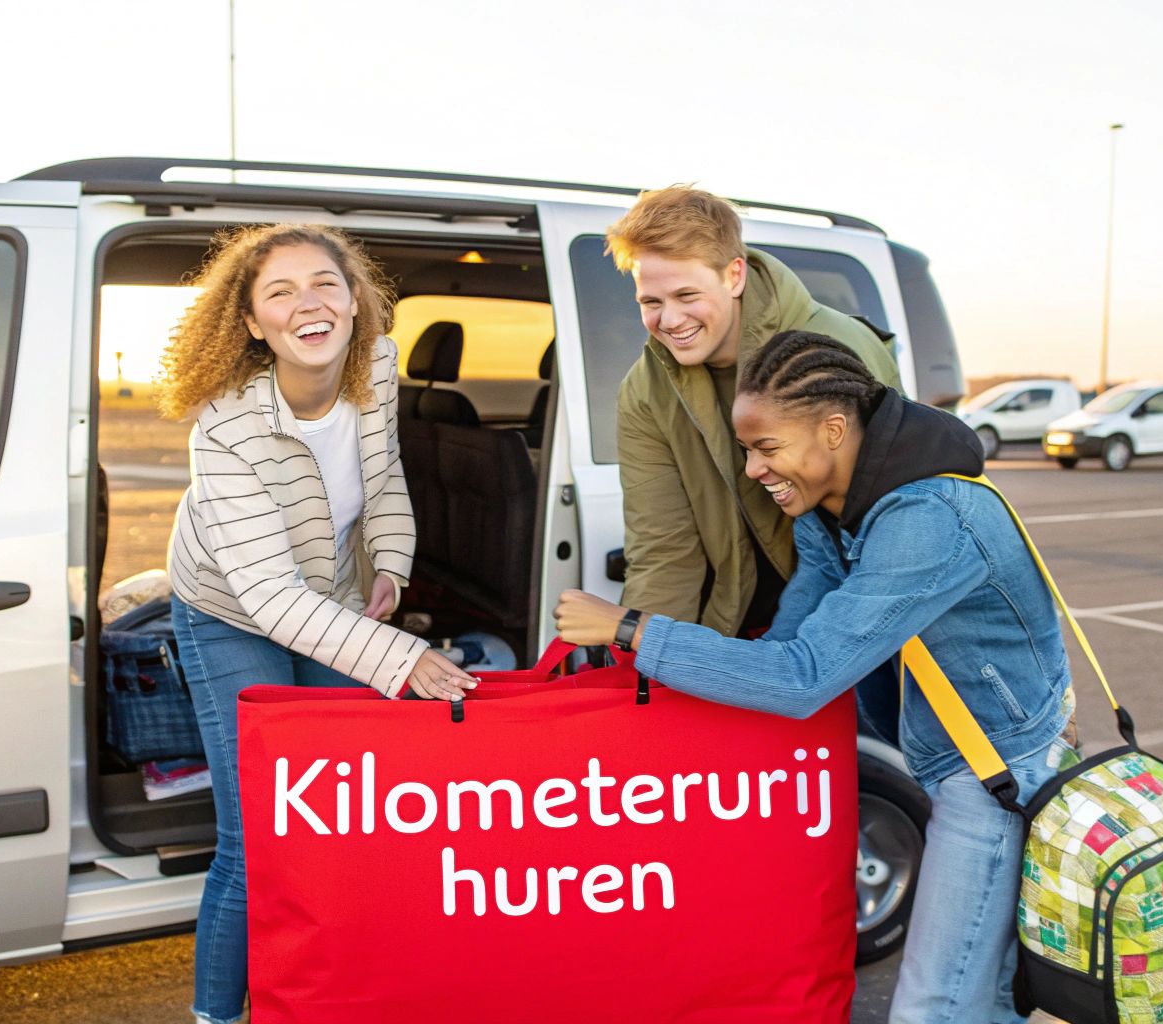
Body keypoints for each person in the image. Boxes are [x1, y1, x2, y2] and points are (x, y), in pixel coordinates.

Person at [554, 330, 1072, 1023]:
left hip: (999, 769)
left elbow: (802, 677)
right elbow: (790, 642)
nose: (751, 470)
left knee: (936, 1008)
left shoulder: (929, 521)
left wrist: (631, 629)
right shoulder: (832, 512)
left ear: (833, 430)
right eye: (746, 449)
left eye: (767, 449)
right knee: (988, 995)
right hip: (954, 750)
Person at [157, 223, 477, 1024]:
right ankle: (217, 1016)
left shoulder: (373, 362)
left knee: (340, 819)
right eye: (280, 291)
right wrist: (399, 658)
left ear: (356, 297)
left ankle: (330, 999)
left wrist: (391, 564)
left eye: (325, 283)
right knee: (259, 836)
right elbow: (265, 595)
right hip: (231, 611)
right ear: (252, 323)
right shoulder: (224, 427)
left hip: (328, 598)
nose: (309, 303)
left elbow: (384, 473)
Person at [606, 185, 904, 640]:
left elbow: (885, 530)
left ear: (734, 276)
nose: (669, 320)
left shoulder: (833, 350)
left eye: (687, 295)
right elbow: (663, 548)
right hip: (740, 616)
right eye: (651, 302)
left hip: (854, 608)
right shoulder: (646, 390)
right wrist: (645, 666)